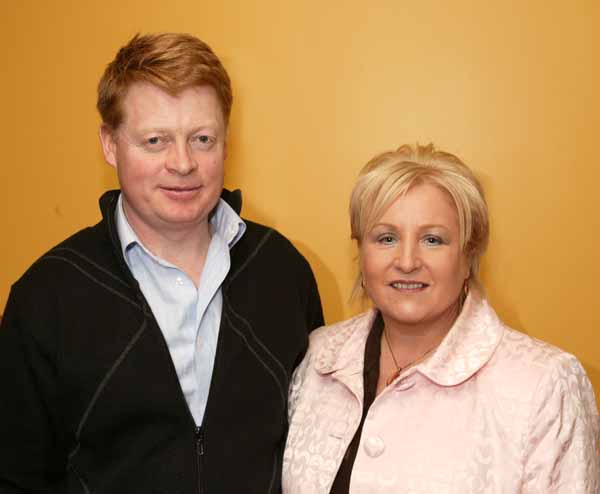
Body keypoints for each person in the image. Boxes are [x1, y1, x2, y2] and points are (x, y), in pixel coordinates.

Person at [0, 33, 323, 493]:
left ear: (227, 142)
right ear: (110, 145)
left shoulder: (283, 272)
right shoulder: (46, 297)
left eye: (202, 139)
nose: (183, 163)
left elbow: (314, 446)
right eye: (155, 141)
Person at [282, 143, 599, 493]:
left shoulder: (545, 385)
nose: (406, 261)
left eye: (433, 240)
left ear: (469, 255)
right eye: (386, 238)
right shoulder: (318, 357)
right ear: (361, 251)